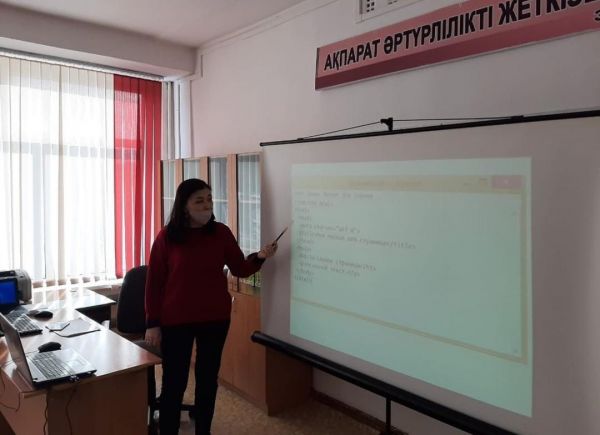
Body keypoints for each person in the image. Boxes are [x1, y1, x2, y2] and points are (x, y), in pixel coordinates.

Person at [144, 178, 277, 435]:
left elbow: (240, 268)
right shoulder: (167, 237)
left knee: (207, 380)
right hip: (176, 321)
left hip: (214, 319)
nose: (207, 205)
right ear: (184, 206)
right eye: (199, 201)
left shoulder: (221, 233)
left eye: (209, 199)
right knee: (174, 383)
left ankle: (203, 430)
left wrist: (260, 257)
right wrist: (153, 323)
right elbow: (154, 284)